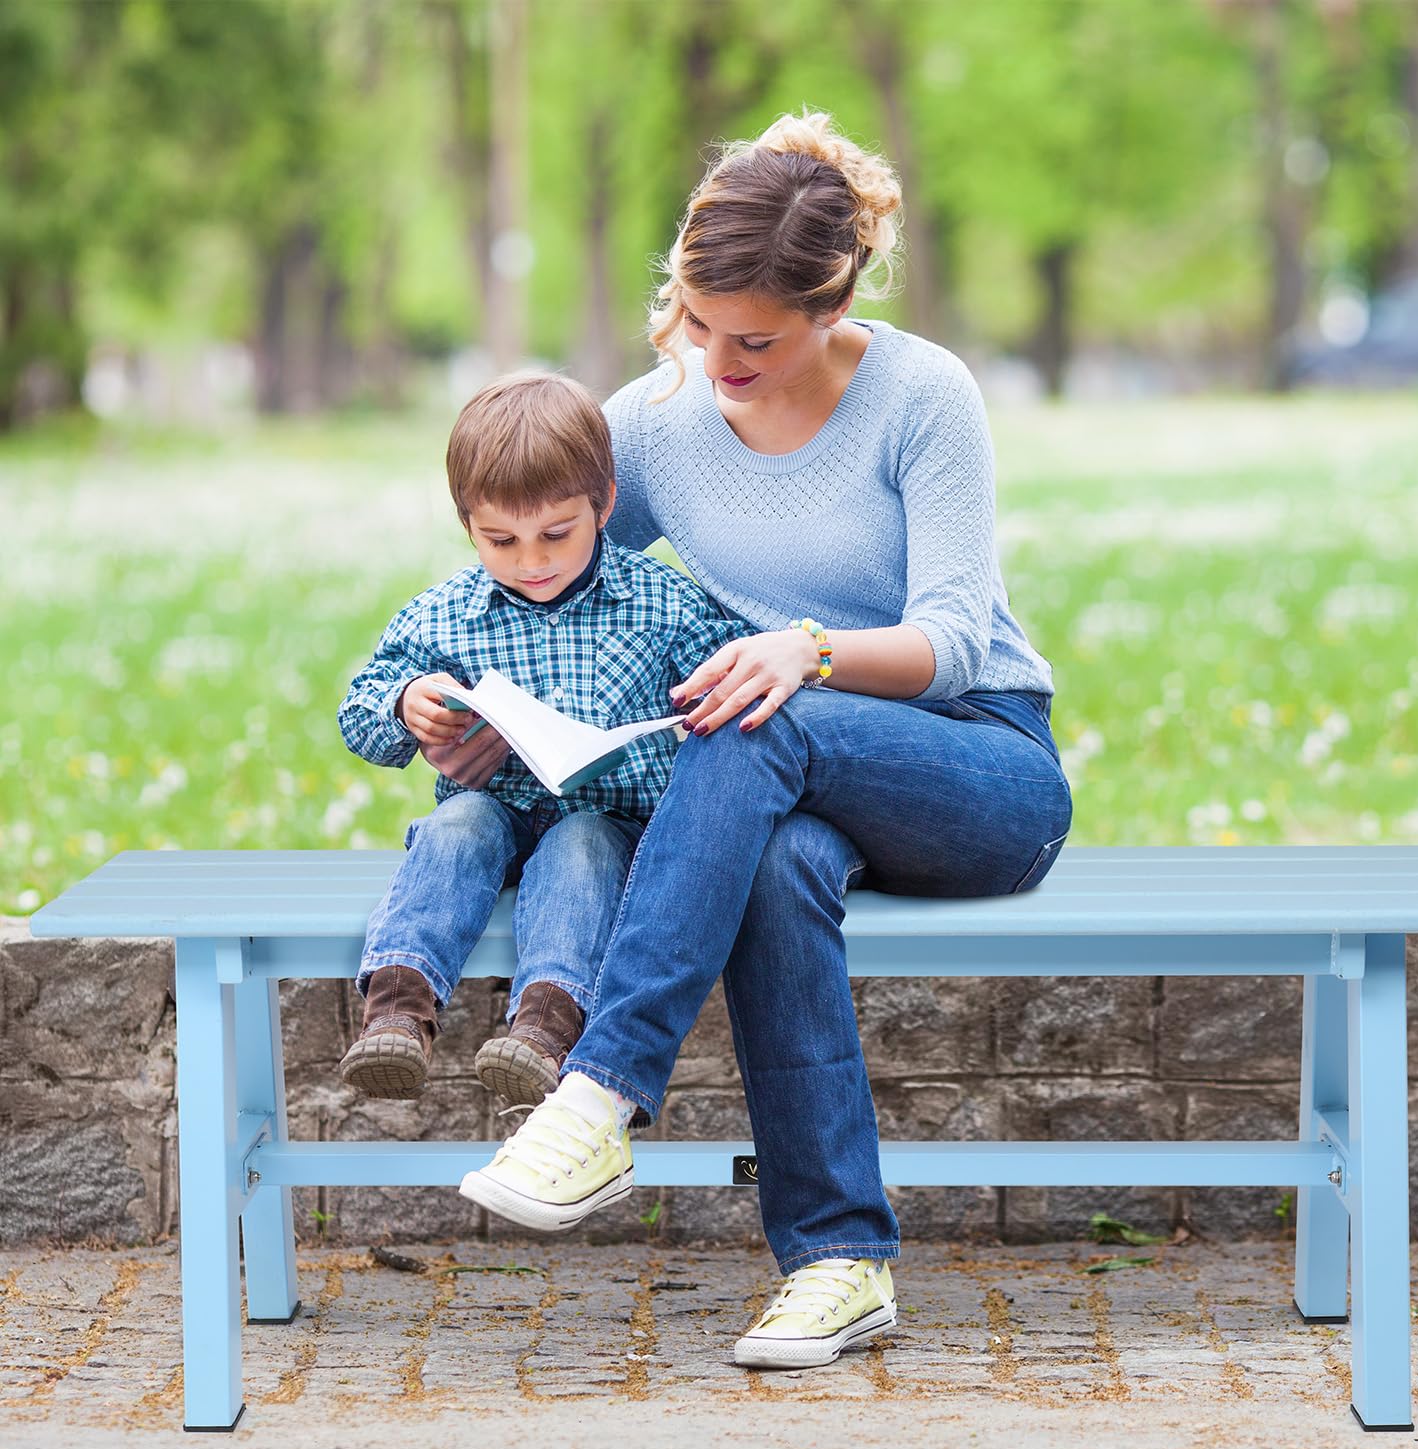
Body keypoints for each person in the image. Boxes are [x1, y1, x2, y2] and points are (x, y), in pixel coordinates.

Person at [448, 111, 1073, 1369]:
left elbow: (951, 637)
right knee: (778, 859)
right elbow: (542, 587)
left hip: (976, 764)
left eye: (756, 339)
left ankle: (600, 1094)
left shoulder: (920, 395)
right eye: (692, 319)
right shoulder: (657, 424)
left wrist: (806, 648)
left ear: (832, 302)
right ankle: (840, 1263)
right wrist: (459, 703)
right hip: (784, 775)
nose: (715, 357)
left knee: (752, 720)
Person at [335, 372, 748, 1117]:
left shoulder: (662, 602)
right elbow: (359, 707)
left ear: (605, 505)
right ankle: (398, 1010)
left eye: (557, 533)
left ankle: (544, 1030)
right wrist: (406, 706)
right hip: (494, 818)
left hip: (609, 828)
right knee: (456, 824)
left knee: (583, 841)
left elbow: (731, 676)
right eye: (501, 540)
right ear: (469, 526)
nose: (532, 561)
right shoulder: (448, 614)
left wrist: (704, 703)